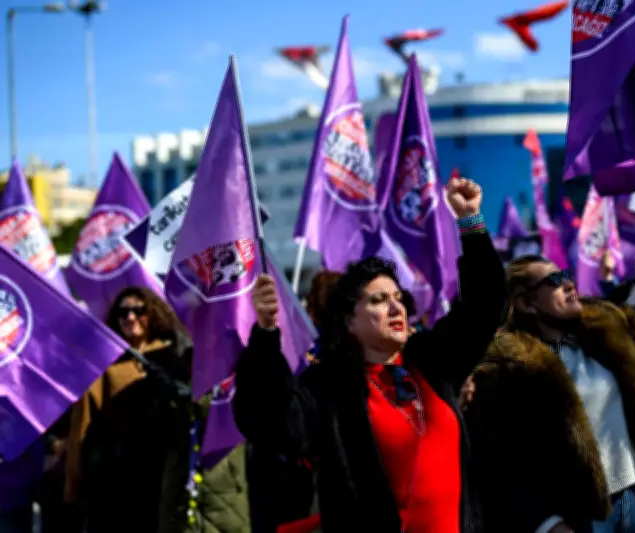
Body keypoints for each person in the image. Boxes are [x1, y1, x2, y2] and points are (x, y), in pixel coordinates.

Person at [234, 178, 506, 533]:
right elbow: (269, 422)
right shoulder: (328, 386)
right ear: (349, 320)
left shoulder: (431, 361)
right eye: (378, 300)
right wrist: (267, 332)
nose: (395, 306)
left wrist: (470, 220)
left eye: (397, 298)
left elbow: (484, 307)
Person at [463, 185, 635, 533]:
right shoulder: (509, 368)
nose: (569, 284)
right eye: (555, 281)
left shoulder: (608, 328)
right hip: (580, 515)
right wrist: (548, 523)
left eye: (567, 275)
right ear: (527, 303)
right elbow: (501, 458)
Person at [65, 287, 250, 533]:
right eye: (124, 311)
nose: (130, 317)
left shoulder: (177, 362)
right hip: (117, 483)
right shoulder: (104, 368)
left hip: (165, 477)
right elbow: (82, 430)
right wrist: (74, 488)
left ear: (152, 314)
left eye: (138, 310)